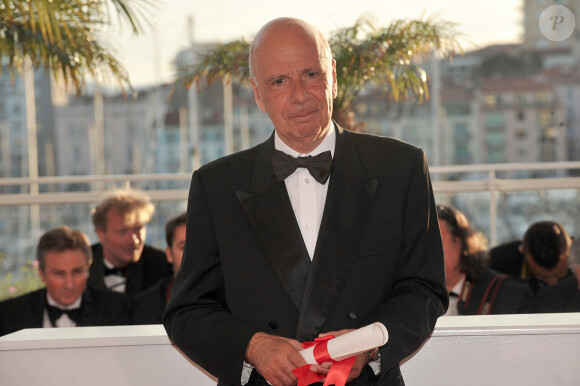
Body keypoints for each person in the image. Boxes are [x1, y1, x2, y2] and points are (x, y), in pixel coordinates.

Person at [163, 17, 447, 386]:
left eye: (311, 75)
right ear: (257, 94)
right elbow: (187, 312)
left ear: (333, 75)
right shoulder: (216, 184)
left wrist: (369, 344)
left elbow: (424, 289)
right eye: (279, 81)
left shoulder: (400, 167)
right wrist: (254, 346)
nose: (299, 94)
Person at [0, 226, 130, 337]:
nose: (69, 284)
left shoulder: (115, 308)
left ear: (88, 270)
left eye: (77, 272)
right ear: (42, 274)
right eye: (59, 274)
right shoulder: (10, 314)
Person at [436, 205, 535, 315]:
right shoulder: (415, 295)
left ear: (460, 243)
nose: (425, 254)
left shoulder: (505, 294)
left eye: (435, 244)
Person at [88, 189, 172, 299]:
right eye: (122, 231)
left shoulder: (163, 266)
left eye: (138, 229)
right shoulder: (82, 263)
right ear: (101, 234)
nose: (133, 241)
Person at [490, 221, 574, 294]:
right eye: (541, 277)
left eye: (560, 274)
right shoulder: (498, 264)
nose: (552, 283)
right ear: (521, 251)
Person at [132, 212, 186, 324]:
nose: (191, 253)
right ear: (169, 254)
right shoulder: (146, 305)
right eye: (183, 247)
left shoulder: (229, 296)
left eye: (198, 246)